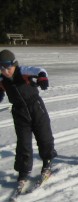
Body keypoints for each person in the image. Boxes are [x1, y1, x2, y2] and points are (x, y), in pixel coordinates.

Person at [0, 49, 57, 183]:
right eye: (1, 68)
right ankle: (23, 172)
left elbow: (40, 70)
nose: (5, 71)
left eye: (7, 67)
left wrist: (42, 78)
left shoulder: (23, 71)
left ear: (14, 64)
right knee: (23, 143)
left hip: (36, 108)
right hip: (19, 112)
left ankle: (47, 163)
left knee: (44, 136)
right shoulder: (2, 80)